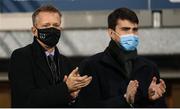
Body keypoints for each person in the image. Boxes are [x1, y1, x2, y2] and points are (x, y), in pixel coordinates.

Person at [75, 8, 166, 107]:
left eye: (135, 30)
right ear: (111, 33)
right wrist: (124, 99)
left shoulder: (149, 67)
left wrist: (150, 99)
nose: (131, 34)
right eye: (125, 29)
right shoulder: (91, 65)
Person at [8, 5, 92, 107]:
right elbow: (27, 99)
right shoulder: (21, 56)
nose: (52, 29)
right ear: (34, 31)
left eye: (56, 25)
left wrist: (72, 97)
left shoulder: (66, 62)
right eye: (46, 26)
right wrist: (66, 88)